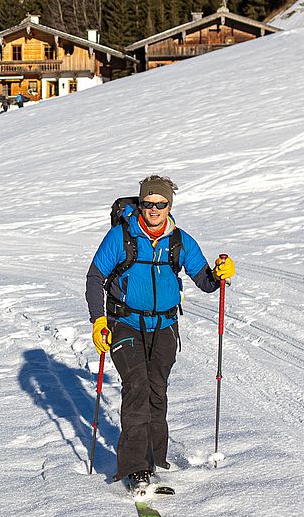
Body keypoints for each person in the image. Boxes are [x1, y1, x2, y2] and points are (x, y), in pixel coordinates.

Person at [85, 175, 235, 490]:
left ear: (169, 205)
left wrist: (220, 274)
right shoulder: (121, 237)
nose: (154, 209)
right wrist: (99, 320)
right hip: (124, 323)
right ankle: (135, 467)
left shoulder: (180, 241)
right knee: (136, 386)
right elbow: (94, 277)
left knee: (156, 391)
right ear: (140, 204)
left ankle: (154, 460)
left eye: (161, 203)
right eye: (148, 203)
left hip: (165, 327)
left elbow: (205, 281)